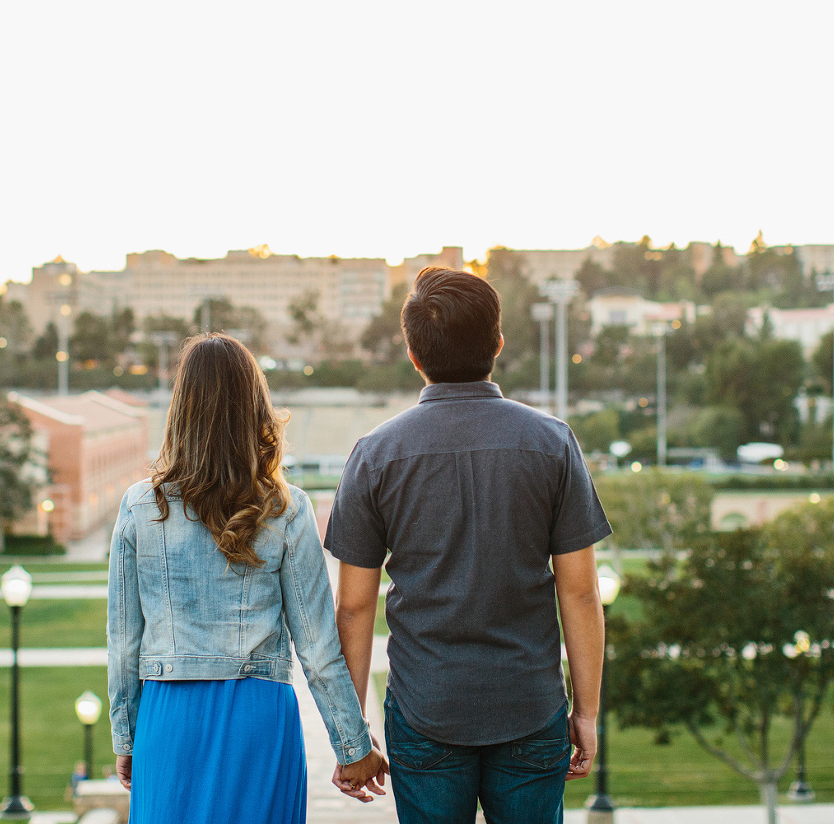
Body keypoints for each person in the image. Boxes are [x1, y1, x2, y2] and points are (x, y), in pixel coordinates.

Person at [326, 267, 612, 823]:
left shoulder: (374, 454)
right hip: (530, 705)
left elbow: (354, 606)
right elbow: (580, 594)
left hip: (425, 708)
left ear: (413, 353)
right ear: (498, 345)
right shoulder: (551, 443)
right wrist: (588, 712)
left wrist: (350, 735)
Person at [107, 334, 388, 824]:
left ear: (181, 409)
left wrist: (127, 737)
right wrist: (353, 746)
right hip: (259, 721)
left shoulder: (138, 508)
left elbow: (123, 643)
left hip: (169, 722)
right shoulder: (287, 508)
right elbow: (318, 646)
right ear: (255, 406)